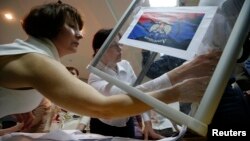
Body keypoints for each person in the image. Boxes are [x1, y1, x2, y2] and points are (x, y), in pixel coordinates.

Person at [0, 1, 219, 133]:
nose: (80, 34)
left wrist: (20, 104)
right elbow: (103, 107)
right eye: (71, 26)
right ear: (50, 26)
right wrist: (177, 89)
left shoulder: (26, 56)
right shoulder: (38, 61)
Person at [86, 29, 163, 139]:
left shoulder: (125, 65)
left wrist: (147, 123)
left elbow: (139, 95)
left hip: (127, 121)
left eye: (120, 44)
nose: (120, 49)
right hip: (104, 125)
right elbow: (131, 93)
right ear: (100, 50)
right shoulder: (94, 77)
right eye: (114, 45)